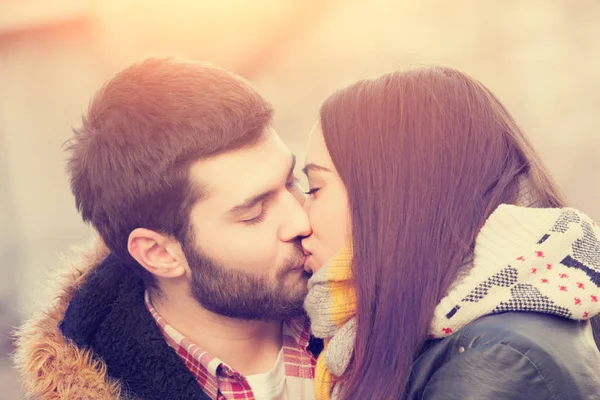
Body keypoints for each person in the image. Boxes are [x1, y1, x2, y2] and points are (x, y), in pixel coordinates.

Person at [14, 58, 322, 400]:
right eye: (254, 213)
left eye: (292, 180)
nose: (301, 220)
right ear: (159, 254)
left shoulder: (371, 318)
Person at [301, 66, 600, 399]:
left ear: (392, 198)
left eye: (314, 189)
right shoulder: (463, 332)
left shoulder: (497, 364)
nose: (300, 219)